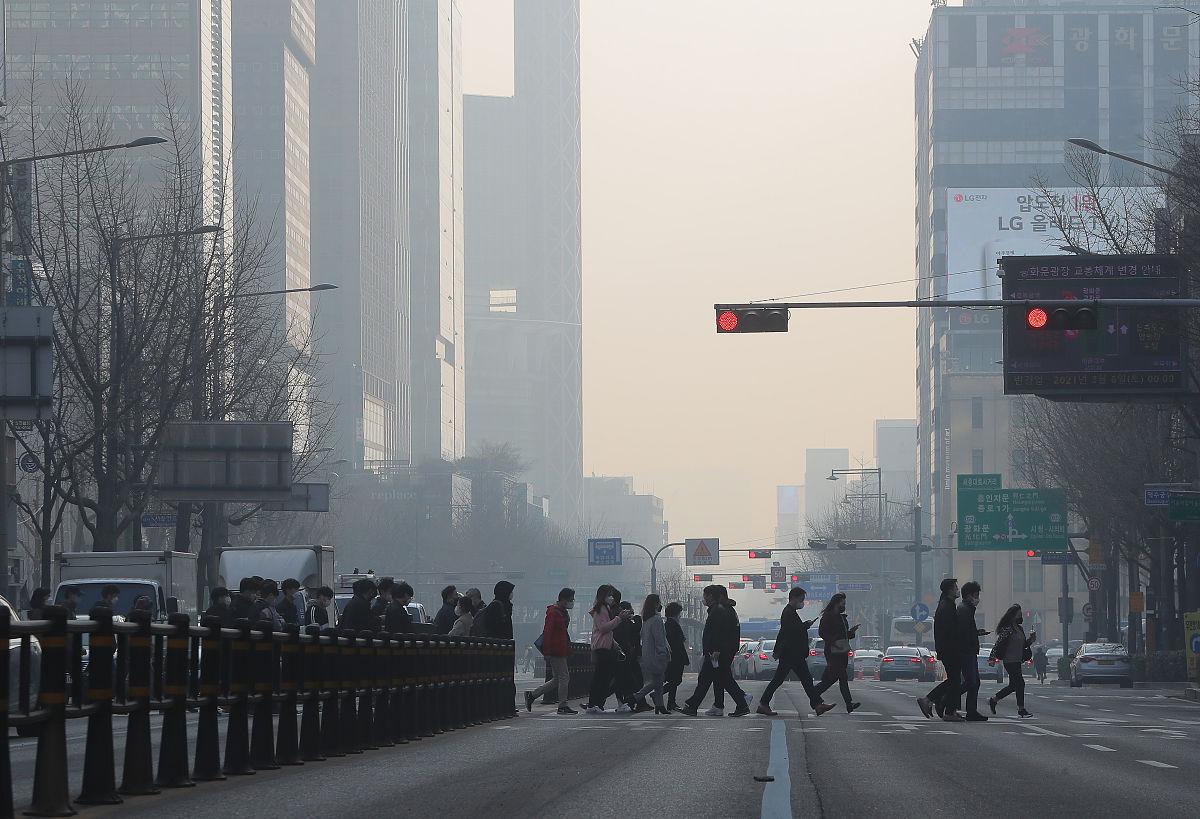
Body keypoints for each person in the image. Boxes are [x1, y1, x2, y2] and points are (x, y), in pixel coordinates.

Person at [757, 586, 834, 717]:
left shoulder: (790, 612)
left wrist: (777, 650)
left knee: (804, 679)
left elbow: (784, 632)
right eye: (801, 599)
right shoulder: (788, 612)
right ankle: (764, 704)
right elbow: (791, 632)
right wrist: (806, 625)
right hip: (791, 653)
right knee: (787, 679)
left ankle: (818, 705)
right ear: (794, 598)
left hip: (792, 653)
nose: (802, 602)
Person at [680, 585, 750, 717]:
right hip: (719, 651)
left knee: (712, 678)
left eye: (705, 595)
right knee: (719, 678)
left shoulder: (718, 610)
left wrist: (716, 650)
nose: (704, 598)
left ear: (711, 596)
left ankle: (694, 705)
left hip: (716, 652)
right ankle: (728, 703)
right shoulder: (722, 609)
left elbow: (718, 632)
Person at [525, 588, 577, 715]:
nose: (572, 602)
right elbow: (548, 632)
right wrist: (547, 652)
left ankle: (532, 695)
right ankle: (562, 705)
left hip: (561, 649)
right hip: (555, 650)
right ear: (563, 599)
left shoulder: (562, 612)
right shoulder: (553, 612)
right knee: (564, 677)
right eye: (570, 599)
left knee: (557, 679)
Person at [918, 578, 963, 722]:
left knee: (954, 680)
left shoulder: (945, 605)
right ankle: (932, 701)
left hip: (947, 648)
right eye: (956, 587)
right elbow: (950, 631)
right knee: (955, 680)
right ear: (950, 589)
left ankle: (943, 705)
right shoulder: (947, 607)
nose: (958, 589)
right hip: (951, 649)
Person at [811, 593, 860, 715]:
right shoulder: (828, 616)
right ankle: (848, 703)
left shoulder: (841, 617)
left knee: (835, 678)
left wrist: (851, 632)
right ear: (836, 603)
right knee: (840, 677)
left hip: (842, 650)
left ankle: (814, 694)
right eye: (843, 603)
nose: (844, 606)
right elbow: (822, 632)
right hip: (833, 651)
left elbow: (843, 634)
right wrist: (834, 642)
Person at [586, 584, 632, 713]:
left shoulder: (605, 608)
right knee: (600, 678)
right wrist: (619, 618)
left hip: (607, 647)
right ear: (603, 596)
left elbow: (607, 632)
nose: (611, 597)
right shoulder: (600, 609)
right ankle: (593, 704)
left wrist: (614, 644)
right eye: (609, 594)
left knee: (605, 677)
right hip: (601, 648)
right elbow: (604, 628)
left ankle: (597, 704)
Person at [988, 604, 1035, 718]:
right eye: (1018, 614)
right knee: (1020, 683)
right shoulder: (1008, 629)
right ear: (1013, 615)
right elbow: (998, 643)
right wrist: (992, 658)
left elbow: (1022, 645)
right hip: (1009, 660)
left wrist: (1031, 640)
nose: (1020, 616)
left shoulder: (1020, 629)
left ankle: (994, 700)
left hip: (1018, 660)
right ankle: (1021, 709)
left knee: (1014, 685)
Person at [630, 594, 671, 714]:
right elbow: (659, 639)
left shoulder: (646, 619)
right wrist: (663, 652)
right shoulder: (657, 619)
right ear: (656, 604)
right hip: (657, 654)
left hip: (647, 654)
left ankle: (660, 705)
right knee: (658, 681)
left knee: (657, 679)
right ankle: (636, 697)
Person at [955, 581, 990, 722]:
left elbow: (967, 631)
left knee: (973, 682)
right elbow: (963, 632)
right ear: (969, 596)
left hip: (968, 650)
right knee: (971, 682)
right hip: (966, 651)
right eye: (976, 595)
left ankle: (971, 710)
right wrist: (974, 635)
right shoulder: (964, 609)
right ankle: (945, 700)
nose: (978, 598)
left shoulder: (967, 609)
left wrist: (976, 633)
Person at [612, 598, 643, 712]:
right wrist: (637, 618)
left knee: (623, 679)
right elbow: (636, 628)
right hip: (625, 653)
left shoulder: (621, 620)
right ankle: (631, 701)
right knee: (631, 678)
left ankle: (631, 701)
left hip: (626, 652)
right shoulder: (623, 621)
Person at [662, 602, 690, 711]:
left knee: (674, 680)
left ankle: (671, 702)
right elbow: (677, 643)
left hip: (675, 657)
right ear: (676, 613)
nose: (680, 615)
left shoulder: (670, 623)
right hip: (676, 657)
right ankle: (658, 695)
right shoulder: (671, 624)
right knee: (676, 680)